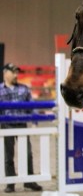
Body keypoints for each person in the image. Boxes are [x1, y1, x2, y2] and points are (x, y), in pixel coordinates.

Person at [0, 63, 43, 193]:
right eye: (13, 72)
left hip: (22, 124)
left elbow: (32, 106)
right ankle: (10, 183)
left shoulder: (24, 89)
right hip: (6, 125)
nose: (16, 75)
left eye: (17, 72)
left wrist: (35, 122)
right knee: (8, 155)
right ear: (5, 73)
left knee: (28, 154)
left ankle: (29, 181)